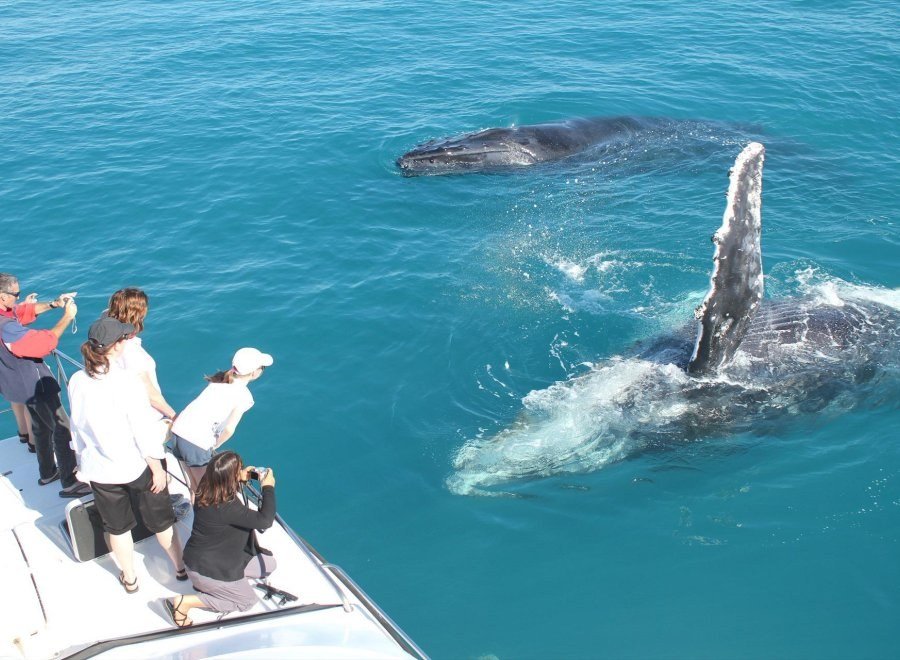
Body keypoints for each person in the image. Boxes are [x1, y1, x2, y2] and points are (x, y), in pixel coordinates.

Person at [68, 316, 187, 592]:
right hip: (136, 466)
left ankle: (130, 579)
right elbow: (141, 430)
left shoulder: (77, 380)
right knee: (161, 521)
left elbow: (77, 425)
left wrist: (81, 463)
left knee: (118, 528)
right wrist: (157, 468)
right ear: (117, 346)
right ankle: (180, 568)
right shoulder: (127, 381)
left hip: (99, 470)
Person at [0, 272, 88, 497]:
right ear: (2, 296)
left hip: (18, 385)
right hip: (34, 383)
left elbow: (21, 312)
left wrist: (54, 304)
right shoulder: (6, 327)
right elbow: (43, 344)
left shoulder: (6, 315)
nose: (18, 299)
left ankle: (47, 472)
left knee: (41, 426)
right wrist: (67, 317)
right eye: (15, 295)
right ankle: (69, 482)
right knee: (62, 428)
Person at [166, 451, 276, 627]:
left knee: (268, 565)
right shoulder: (227, 508)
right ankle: (185, 603)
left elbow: (225, 487)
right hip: (208, 570)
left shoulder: (206, 486)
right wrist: (268, 487)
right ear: (229, 478)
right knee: (247, 601)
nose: (242, 471)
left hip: (209, 557)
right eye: (239, 469)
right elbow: (265, 521)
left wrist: (241, 477)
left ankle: (221, 587)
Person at [170, 347, 273, 491]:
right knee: (205, 491)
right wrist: (214, 445)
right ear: (254, 372)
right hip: (195, 441)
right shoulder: (244, 396)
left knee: (193, 485)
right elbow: (229, 429)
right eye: (262, 368)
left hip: (177, 431)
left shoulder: (219, 380)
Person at [106, 288, 177, 421]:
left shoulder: (105, 338)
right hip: (145, 419)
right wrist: (174, 416)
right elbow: (150, 395)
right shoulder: (131, 351)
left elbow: (107, 315)